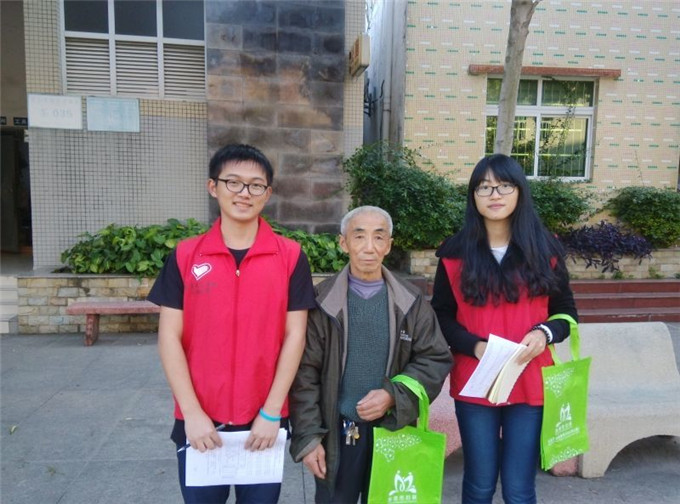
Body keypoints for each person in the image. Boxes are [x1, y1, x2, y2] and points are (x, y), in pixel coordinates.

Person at [148, 143, 316, 504]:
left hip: (264, 422)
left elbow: (295, 335)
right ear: (213, 187)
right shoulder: (185, 255)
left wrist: (272, 412)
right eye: (233, 182)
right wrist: (191, 413)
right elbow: (169, 338)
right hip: (200, 422)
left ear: (268, 193)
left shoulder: (289, 256)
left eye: (256, 185)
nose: (244, 193)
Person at [430, 154, 579, 504]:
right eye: (484, 187)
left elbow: (566, 312)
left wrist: (544, 333)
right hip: (476, 379)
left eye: (504, 186)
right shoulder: (454, 253)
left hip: (529, 380)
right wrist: (475, 347)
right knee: (479, 484)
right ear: (473, 196)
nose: (494, 194)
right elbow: (441, 316)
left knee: (519, 488)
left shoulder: (546, 249)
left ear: (520, 191)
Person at [289, 205, 452, 504]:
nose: (369, 247)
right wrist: (309, 437)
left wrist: (393, 395)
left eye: (379, 237)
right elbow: (304, 373)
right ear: (343, 243)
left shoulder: (411, 302)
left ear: (388, 245)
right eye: (359, 236)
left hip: (392, 429)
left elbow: (435, 359)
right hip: (338, 433)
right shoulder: (322, 301)